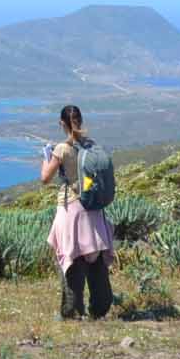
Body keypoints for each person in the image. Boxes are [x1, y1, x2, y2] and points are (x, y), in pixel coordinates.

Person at [42, 103, 115, 320]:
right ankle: (100, 308)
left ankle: (72, 310)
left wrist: (46, 158)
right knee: (96, 260)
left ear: (61, 123)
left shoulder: (61, 149)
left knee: (73, 260)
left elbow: (45, 178)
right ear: (81, 121)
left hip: (71, 208)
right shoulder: (91, 146)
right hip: (94, 209)